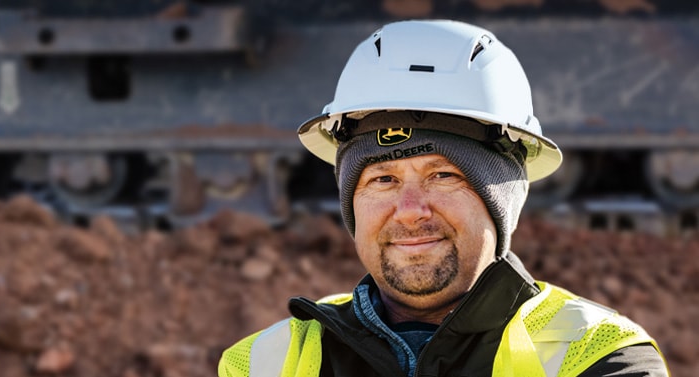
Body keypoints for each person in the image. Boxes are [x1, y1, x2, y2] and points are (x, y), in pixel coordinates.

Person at [218, 20, 668, 376]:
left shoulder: (597, 357)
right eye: (383, 179)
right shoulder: (261, 363)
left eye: (443, 176)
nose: (410, 211)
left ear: (503, 198)